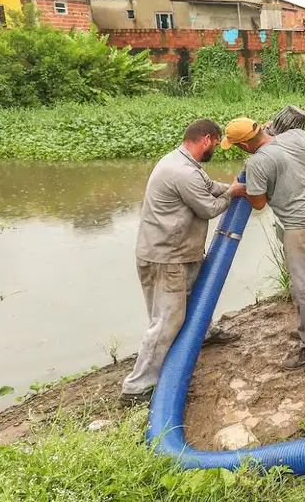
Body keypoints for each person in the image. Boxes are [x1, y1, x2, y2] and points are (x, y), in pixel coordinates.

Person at [121, 119, 247, 404]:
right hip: (166, 257)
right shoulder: (182, 172)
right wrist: (233, 193)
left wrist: (227, 187)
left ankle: (203, 331)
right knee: (166, 320)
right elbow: (208, 208)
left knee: (194, 297)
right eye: (215, 144)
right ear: (205, 139)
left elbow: (208, 185)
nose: (216, 148)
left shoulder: (182, 163)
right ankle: (137, 387)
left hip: (177, 251)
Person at [222, 117, 305, 369]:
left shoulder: (257, 162)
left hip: (300, 228)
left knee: (303, 286)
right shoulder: (294, 137)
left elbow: (259, 204)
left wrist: (245, 187)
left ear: (244, 146)